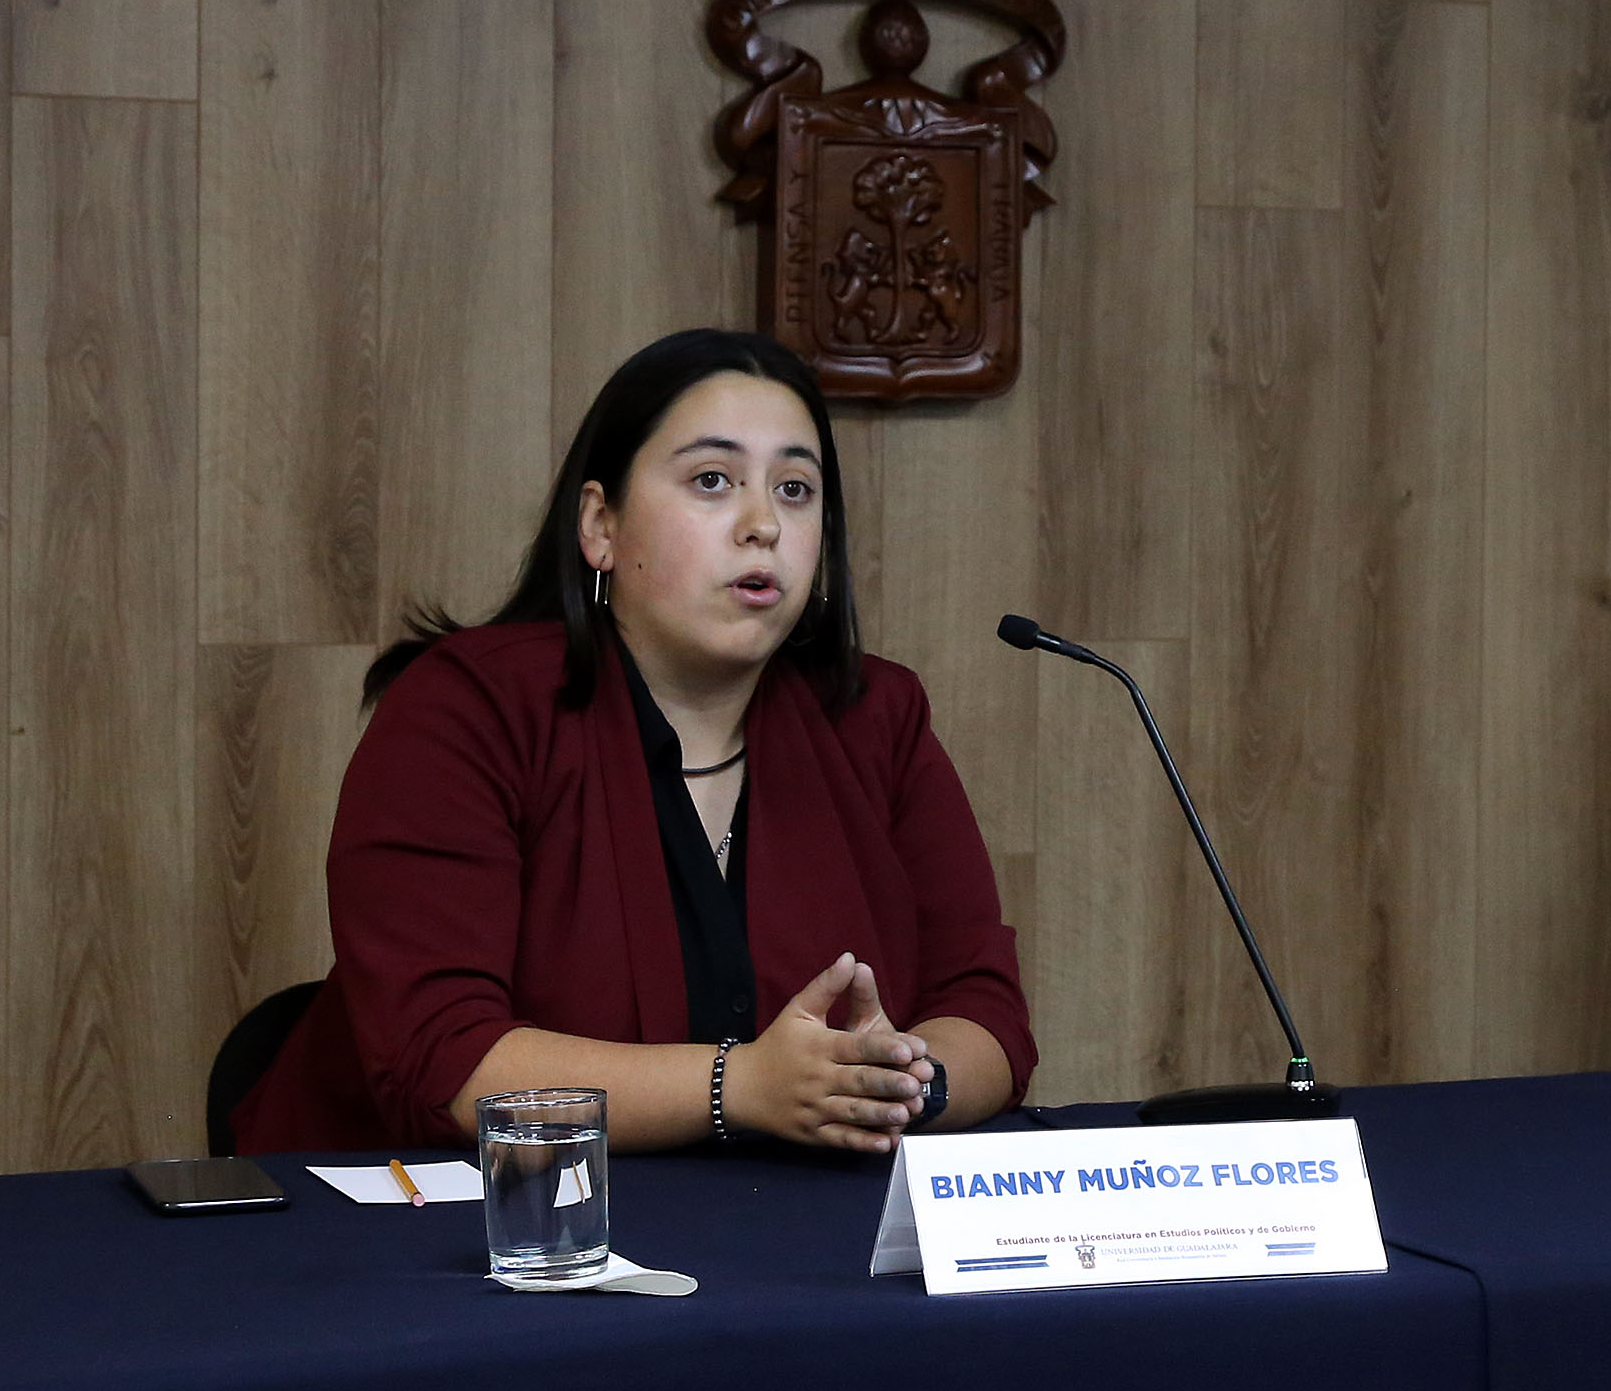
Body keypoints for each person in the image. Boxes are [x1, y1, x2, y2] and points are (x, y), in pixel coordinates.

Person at [232, 328, 1033, 1153]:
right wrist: (739, 1085)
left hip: (787, 1217)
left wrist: (894, 1085)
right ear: (599, 524)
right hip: (440, 1214)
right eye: (713, 480)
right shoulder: (466, 707)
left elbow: (987, 1013)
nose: (763, 523)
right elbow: (443, 1060)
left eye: (795, 489)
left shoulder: (876, 718)